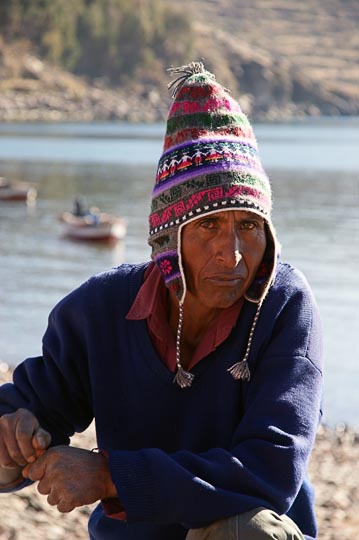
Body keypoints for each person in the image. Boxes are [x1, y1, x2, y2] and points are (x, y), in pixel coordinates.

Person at [0, 62, 323, 540]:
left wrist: (109, 476)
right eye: (209, 225)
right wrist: (12, 439)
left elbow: (269, 471)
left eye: (249, 226)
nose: (232, 253)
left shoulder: (285, 307)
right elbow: (32, 404)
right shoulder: (100, 309)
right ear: (169, 242)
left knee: (249, 529)